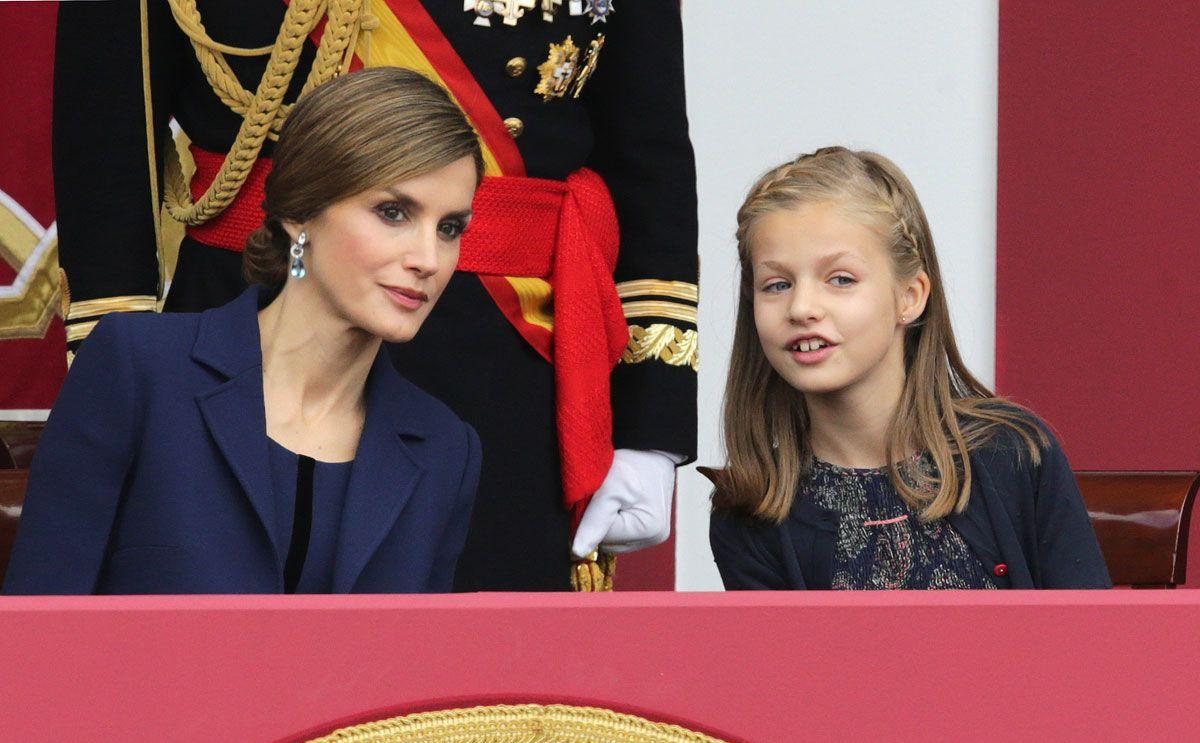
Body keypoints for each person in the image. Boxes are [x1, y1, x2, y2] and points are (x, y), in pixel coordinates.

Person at [52, 1, 698, 591]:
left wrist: (650, 425)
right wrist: (120, 387)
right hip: (246, 334)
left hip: (505, 369)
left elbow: (646, 149)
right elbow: (106, 136)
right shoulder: (147, 374)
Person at [4, 68, 483, 595]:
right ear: (300, 215)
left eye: (450, 228)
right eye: (392, 213)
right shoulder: (137, 369)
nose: (428, 259)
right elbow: (38, 630)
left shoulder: (445, 448)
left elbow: (423, 670)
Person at [708, 147, 1111, 590]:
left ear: (910, 296)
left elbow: (1090, 646)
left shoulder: (1014, 456)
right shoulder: (752, 508)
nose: (802, 307)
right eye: (777, 285)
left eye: (840, 279)